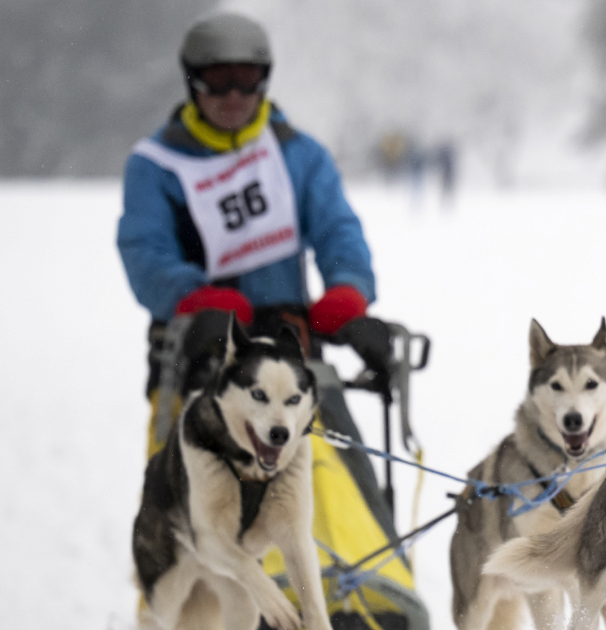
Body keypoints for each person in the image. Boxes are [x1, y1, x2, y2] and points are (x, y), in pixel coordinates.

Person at [118, 12, 425, 630]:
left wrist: (347, 293)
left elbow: (338, 230)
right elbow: (145, 252)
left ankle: (361, 600)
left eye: (247, 79)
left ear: (265, 80)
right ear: (192, 82)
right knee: (188, 509)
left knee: (324, 473)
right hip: (199, 357)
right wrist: (193, 297)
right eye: (218, 80)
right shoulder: (157, 165)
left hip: (290, 356)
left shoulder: (297, 155)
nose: (234, 95)